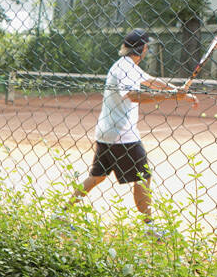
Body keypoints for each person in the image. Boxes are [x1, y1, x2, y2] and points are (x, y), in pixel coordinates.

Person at [70, 29, 197, 222]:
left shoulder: (124, 65)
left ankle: (62, 213)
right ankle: (149, 225)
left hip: (106, 132)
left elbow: (150, 81)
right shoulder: (126, 69)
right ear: (144, 48)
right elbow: (135, 95)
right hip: (122, 135)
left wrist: (177, 91)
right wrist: (171, 96)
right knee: (143, 176)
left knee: (97, 176)